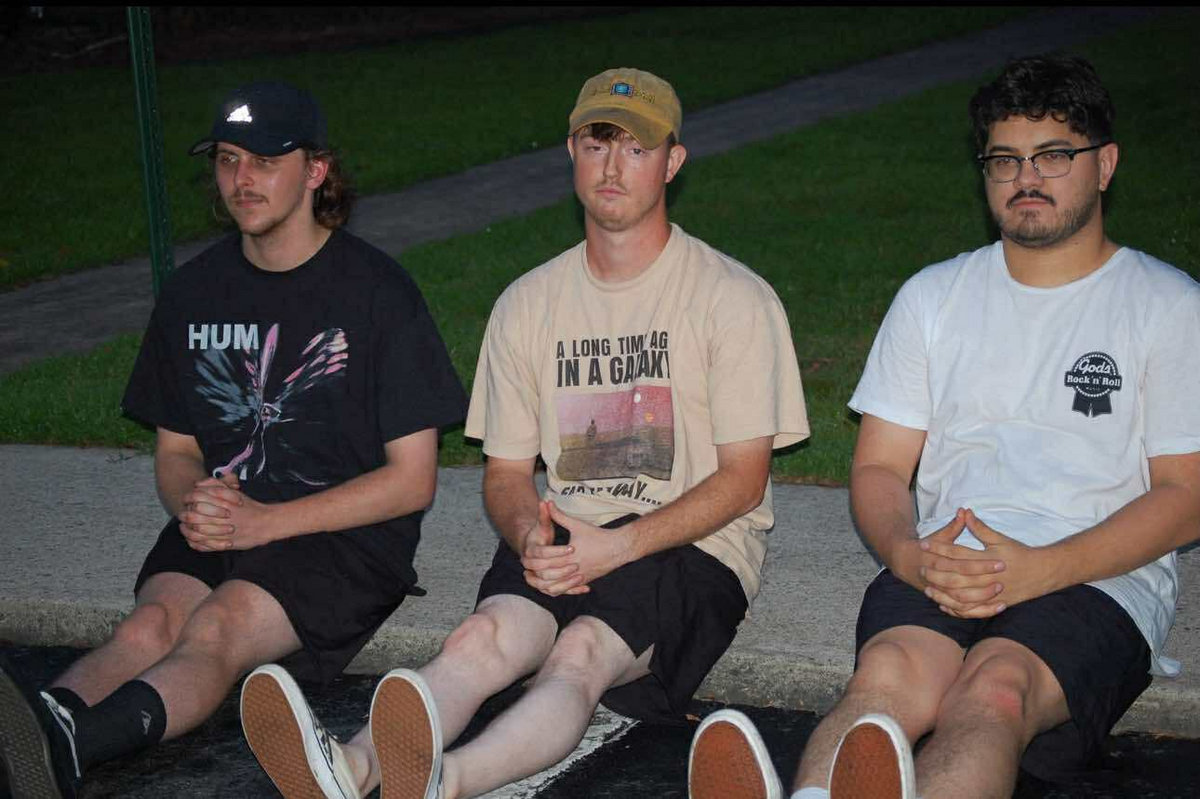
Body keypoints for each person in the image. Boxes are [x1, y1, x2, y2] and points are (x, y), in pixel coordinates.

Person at [236, 66, 809, 799]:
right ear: (572, 152)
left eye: (636, 149)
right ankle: (349, 769)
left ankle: (443, 782)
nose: (613, 167)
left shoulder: (733, 298)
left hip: (690, 543)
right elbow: (507, 475)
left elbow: (743, 481)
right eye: (597, 144)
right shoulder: (527, 303)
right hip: (566, 533)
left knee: (580, 653)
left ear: (672, 162)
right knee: (482, 638)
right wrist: (527, 533)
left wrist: (619, 546)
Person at [686, 52, 1200, 799]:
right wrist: (907, 552)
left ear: (1105, 164)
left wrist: (1043, 567)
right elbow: (880, 468)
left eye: (1054, 155)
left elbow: (1186, 495)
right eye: (1005, 159)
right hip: (945, 560)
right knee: (885, 681)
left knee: (994, 690)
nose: (1026, 177)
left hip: (1095, 572)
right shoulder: (934, 297)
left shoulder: (1168, 305)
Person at [0, 80, 468, 798]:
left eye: (264, 160)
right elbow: (176, 452)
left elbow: (412, 480)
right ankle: (36, 731)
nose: (241, 179)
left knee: (216, 627)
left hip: (342, 534)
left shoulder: (377, 292)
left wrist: (266, 522)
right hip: (229, 518)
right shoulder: (193, 292)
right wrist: (198, 503)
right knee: (148, 626)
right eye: (226, 159)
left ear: (316, 171)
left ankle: (67, 749)